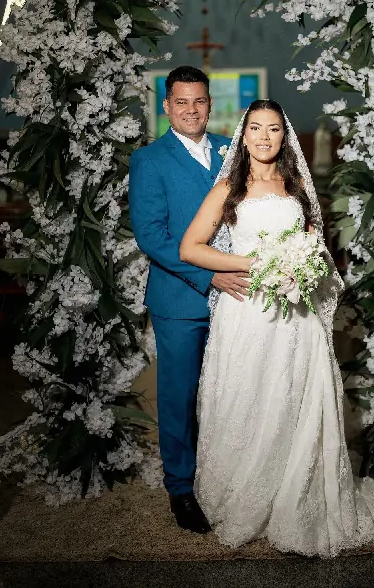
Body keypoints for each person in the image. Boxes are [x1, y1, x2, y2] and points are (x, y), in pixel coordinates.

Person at [179, 99, 374, 558]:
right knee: (249, 394)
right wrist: (257, 264)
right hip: (247, 312)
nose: (264, 137)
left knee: (295, 397)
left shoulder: (296, 187)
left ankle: (300, 494)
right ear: (243, 134)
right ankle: (246, 490)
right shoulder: (227, 188)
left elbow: (316, 248)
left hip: (297, 316)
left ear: (284, 136)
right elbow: (191, 248)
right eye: (255, 128)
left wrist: (305, 266)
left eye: (273, 129)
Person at [128, 65, 249, 534]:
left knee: (232, 390)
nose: (191, 110)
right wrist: (209, 276)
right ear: (166, 106)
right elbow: (152, 237)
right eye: (181, 102)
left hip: (238, 296)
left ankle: (228, 475)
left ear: (210, 103)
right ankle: (181, 488)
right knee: (179, 396)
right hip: (181, 299)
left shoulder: (230, 151)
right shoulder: (149, 159)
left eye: (199, 101)